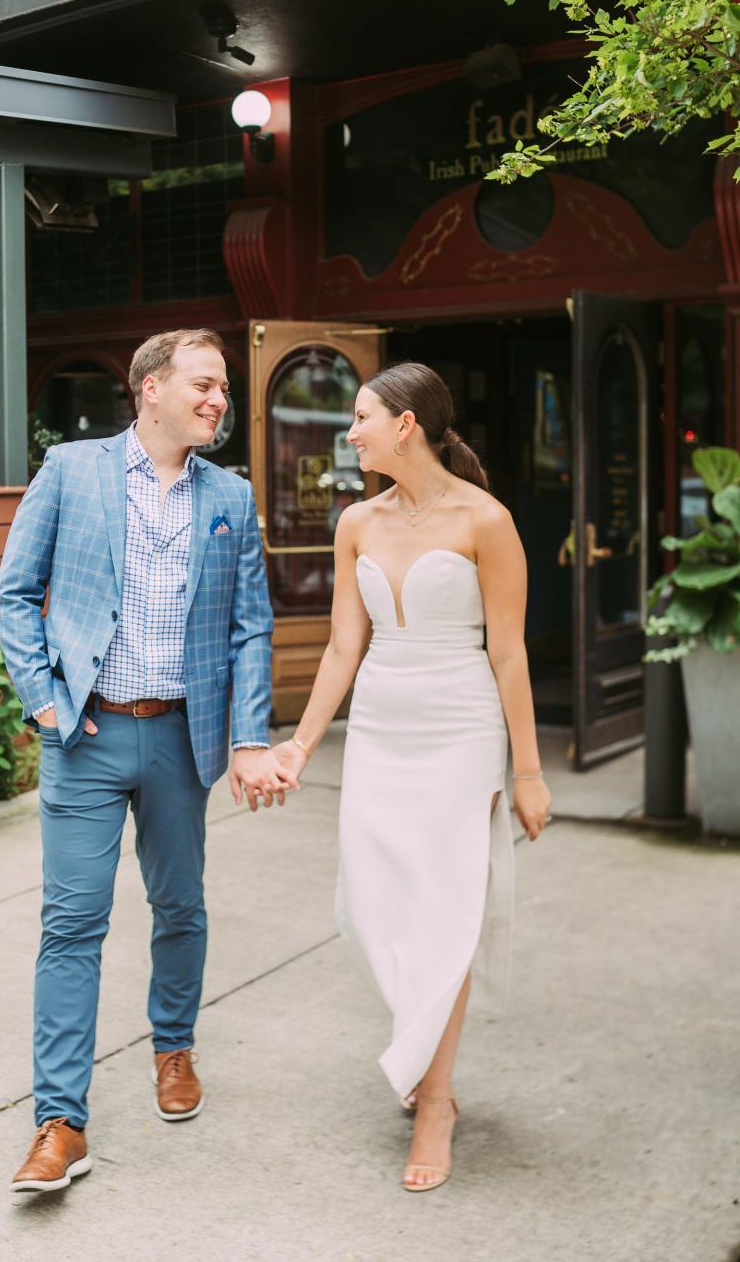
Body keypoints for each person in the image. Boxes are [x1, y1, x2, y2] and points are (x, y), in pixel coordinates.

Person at [0, 328, 293, 1193]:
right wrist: (44, 698)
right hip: (83, 733)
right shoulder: (72, 469)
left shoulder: (230, 495)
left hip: (178, 737)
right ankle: (60, 1121)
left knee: (180, 904)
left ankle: (174, 1049)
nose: (219, 400)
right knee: (72, 921)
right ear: (150, 388)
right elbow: (14, 590)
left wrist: (245, 735)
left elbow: (249, 624)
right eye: (205, 384)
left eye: (224, 389)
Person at [273, 361, 552, 1193]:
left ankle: (436, 1099)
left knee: (447, 906)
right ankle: (423, 1048)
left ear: (405, 425)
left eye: (359, 417)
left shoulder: (488, 520)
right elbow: (341, 649)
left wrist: (529, 771)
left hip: (461, 729)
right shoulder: (356, 520)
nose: (348, 432)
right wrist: (299, 743)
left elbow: (508, 651)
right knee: (369, 903)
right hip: (383, 729)